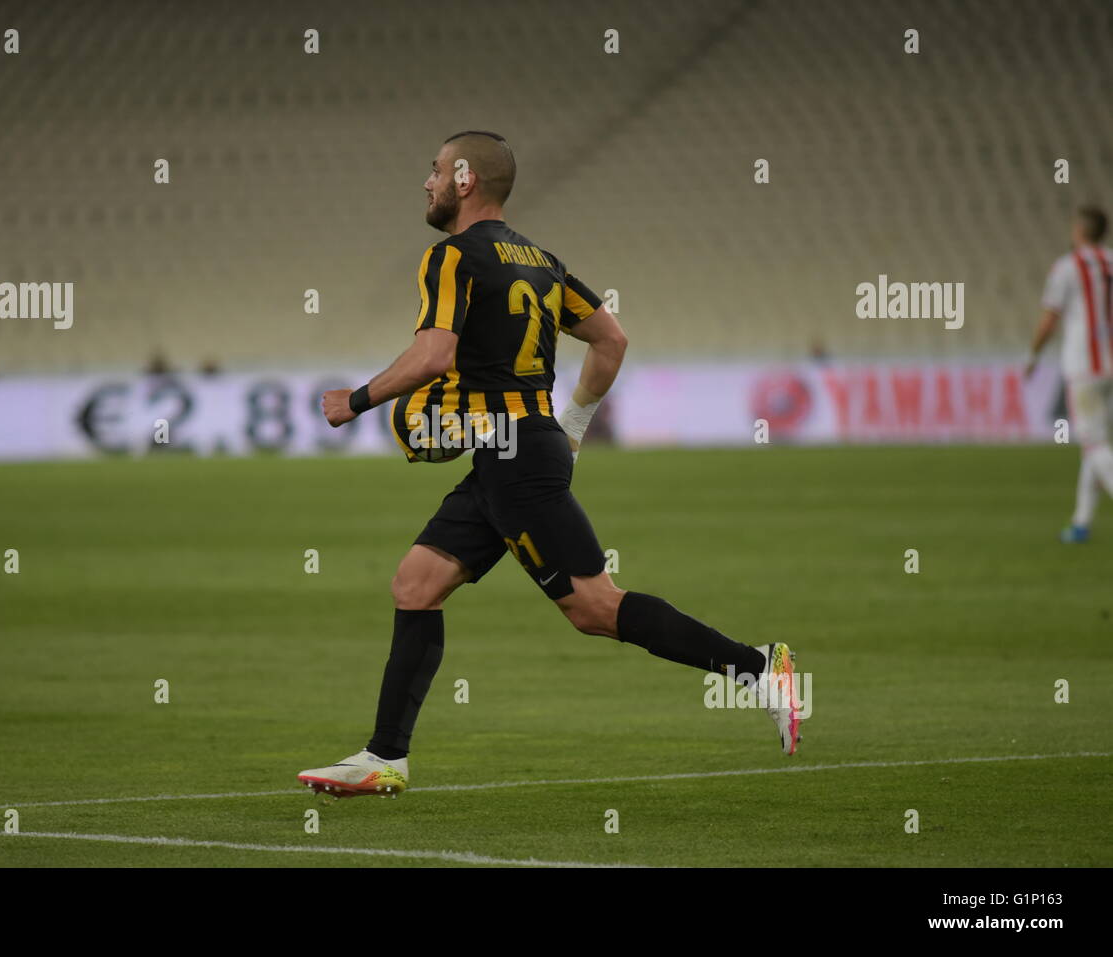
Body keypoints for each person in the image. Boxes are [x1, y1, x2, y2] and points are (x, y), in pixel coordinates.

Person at [296, 133, 801, 799]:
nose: (427, 182)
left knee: (594, 607)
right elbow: (610, 339)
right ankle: (385, 757)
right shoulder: (540, 261)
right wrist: (572, 428)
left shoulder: (450, 258)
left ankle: (759, 666)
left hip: (514, 459)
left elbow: (434, 355)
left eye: (437, 169)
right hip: (513, 446)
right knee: (416, 583)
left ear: (467, 178)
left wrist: (354, 401)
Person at [1026, 205, 1113, 543]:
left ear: (1078, 230)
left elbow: (1050, 318)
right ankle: (1081, 522)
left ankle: (1081, 522)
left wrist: (1033, 354)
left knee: (1094, 445)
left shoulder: (1067, 267)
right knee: (1094, 444)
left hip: (1085, 368)